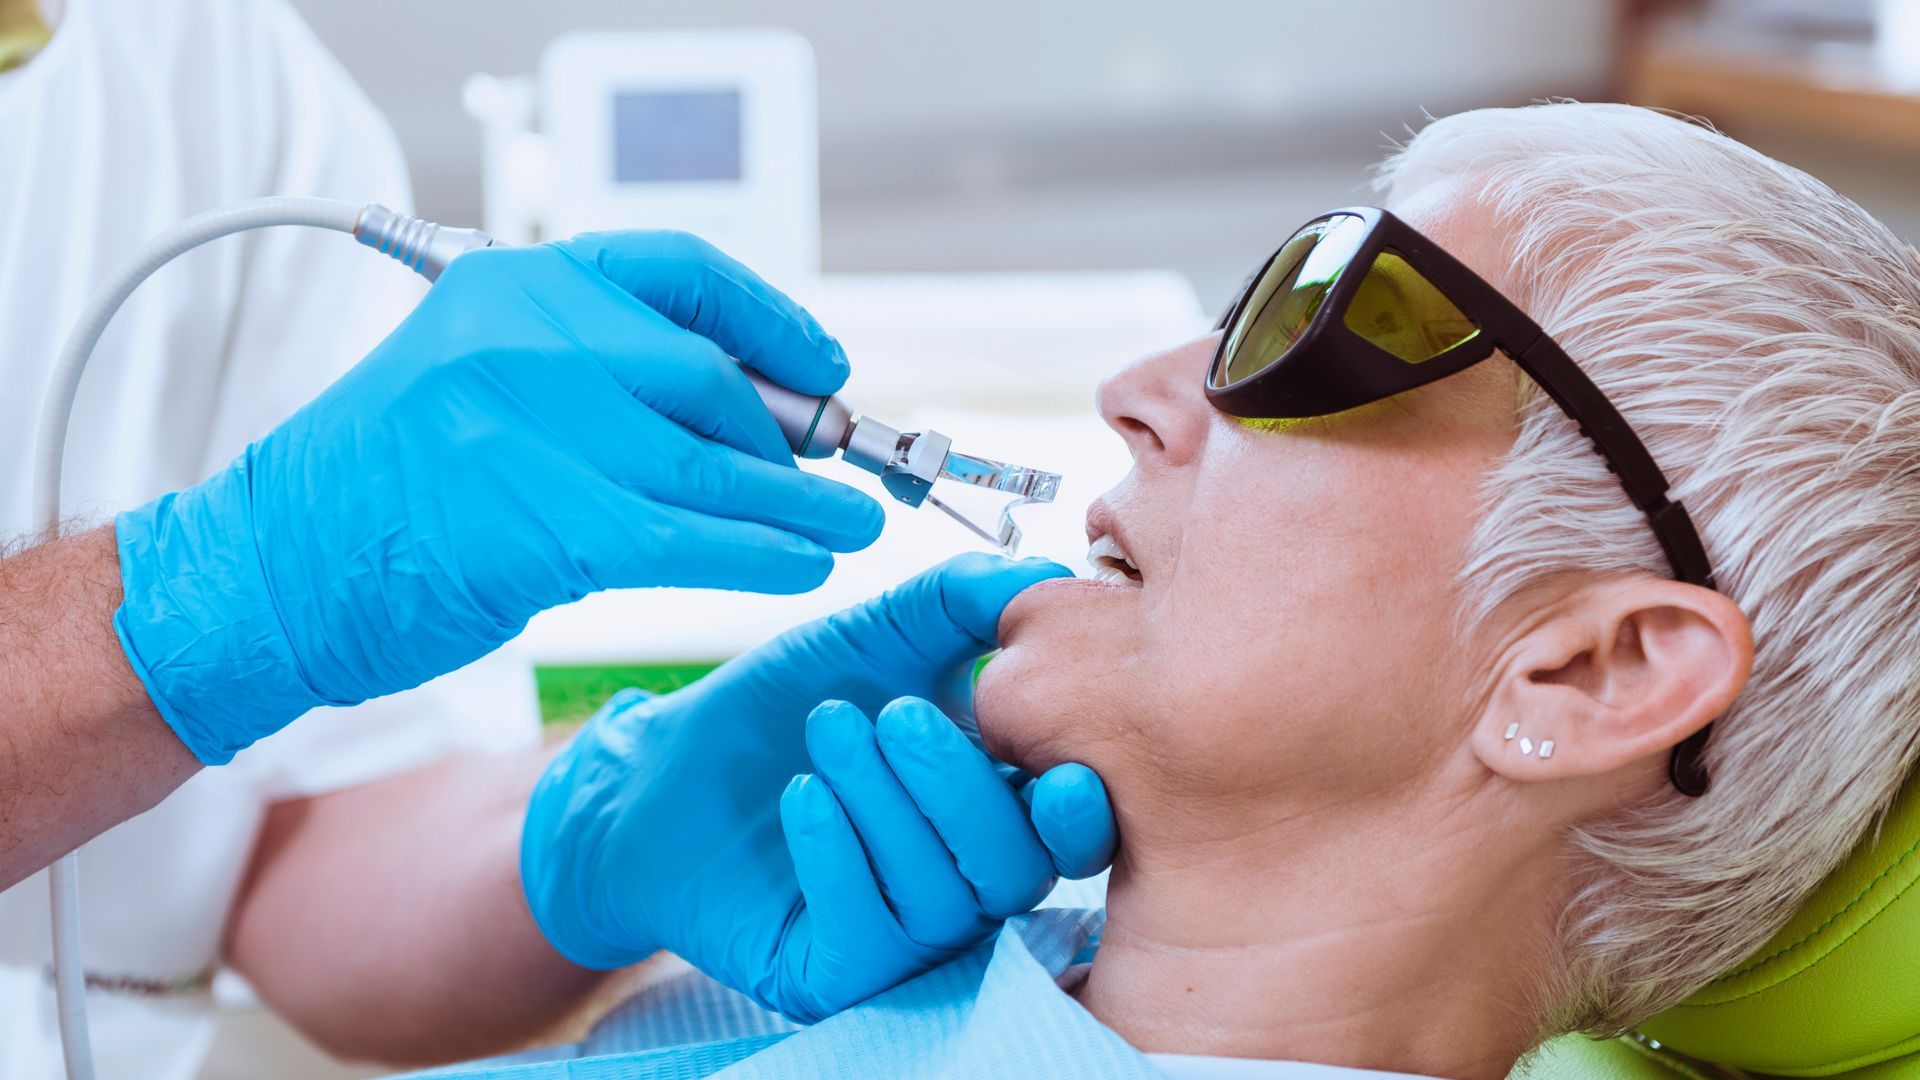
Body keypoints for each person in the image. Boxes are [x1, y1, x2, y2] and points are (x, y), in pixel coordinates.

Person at [421, 101, 1920, 1079]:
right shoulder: (966, 980)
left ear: (1592, 673)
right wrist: (592, 854)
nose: (1141, 393)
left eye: (1325, 322)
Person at [0, 0, 1116, 1075]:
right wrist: (219, 596)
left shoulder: (214, 66)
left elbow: (284, 865)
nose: (1136, 391)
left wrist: (602, 831)